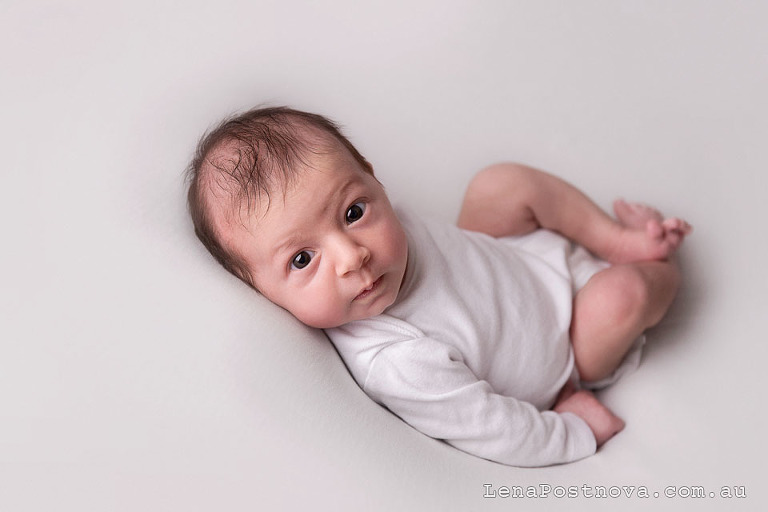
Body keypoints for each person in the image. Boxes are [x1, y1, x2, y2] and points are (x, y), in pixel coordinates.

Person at [185, 106, 691, 467]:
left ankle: (616, 238)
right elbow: (498, 430)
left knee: (498, 183)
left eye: (353, 212)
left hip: (512, 258)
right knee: (623, 295)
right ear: (261, 292)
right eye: (302, 259)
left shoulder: (384, 235)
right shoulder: (399, 361)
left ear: (373, 180)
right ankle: (658, 263)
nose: (352, 256)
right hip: (567, 341)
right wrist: (575, 430)